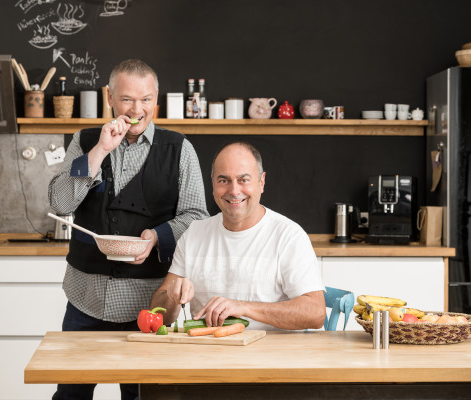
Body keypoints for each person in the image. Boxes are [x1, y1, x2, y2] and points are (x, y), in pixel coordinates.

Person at [48, 59, 209, 400]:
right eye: (127, 99)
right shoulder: (84, 142)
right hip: (85, 300)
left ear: (156, 99)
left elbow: (196, 216)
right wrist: (100, 151)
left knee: (142, 398)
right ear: (109, 97)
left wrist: (157, 237)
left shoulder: (180, 149)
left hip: (148, 305)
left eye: (146, 99)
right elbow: (62, 203)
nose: (137, 110)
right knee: (70, 396)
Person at [150, 142, 326, 331]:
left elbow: (315, 313)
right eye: (223, 180)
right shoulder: (194, 233)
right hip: (206, 348)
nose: (234, 191)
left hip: (269, 349)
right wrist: (172, 296)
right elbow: (158, 314)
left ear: (261, 182)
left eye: (243, 180)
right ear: (213, 184)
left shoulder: (289, 236)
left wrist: (244, 307)